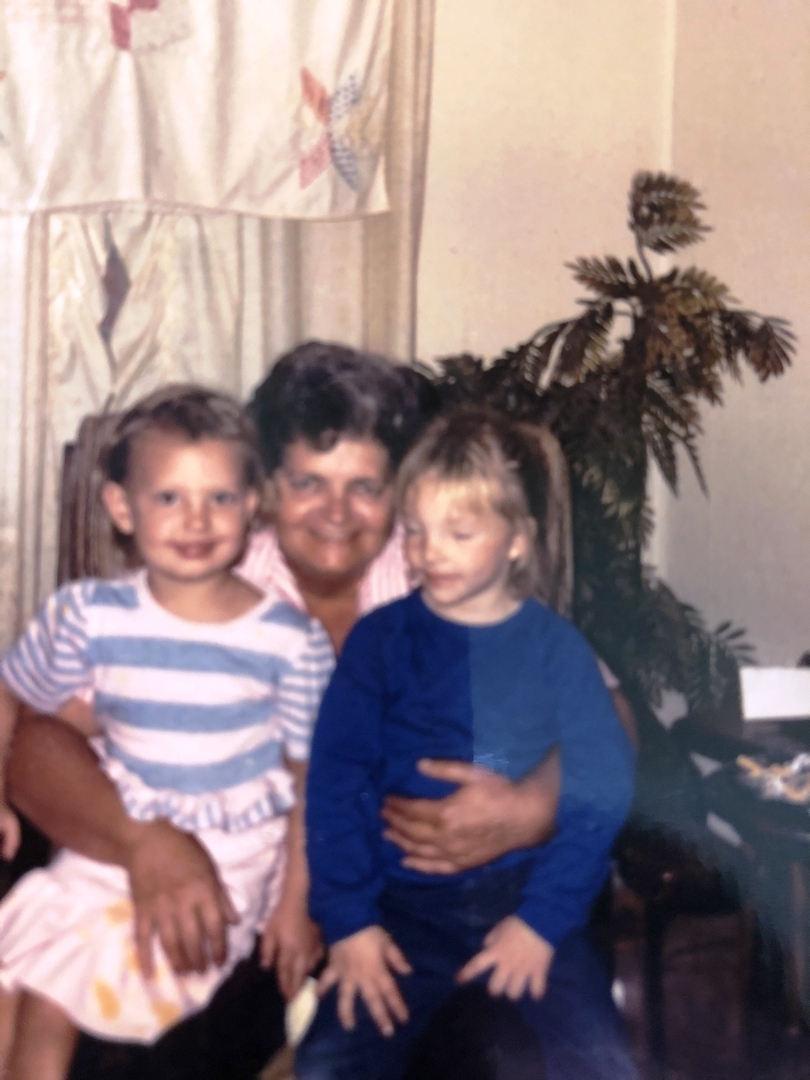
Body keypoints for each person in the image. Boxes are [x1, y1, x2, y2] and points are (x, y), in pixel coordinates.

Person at [3, 342, 621, 1078]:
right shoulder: (204, 580)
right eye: (308, 483)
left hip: (416, 903)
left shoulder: (442, 571)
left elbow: (611, 716)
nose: (336, 513)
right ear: (266, 488)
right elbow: (40, 742)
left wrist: (531, 806)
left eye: (366, 486)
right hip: (246, 900)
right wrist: (142, 844)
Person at [0, 386, 334, 1079]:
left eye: (220, 497)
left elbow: (316, 784)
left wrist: (295, 905)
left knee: (49, 1001)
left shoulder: (290, 642)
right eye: (169, 497)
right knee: (13, 981)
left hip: (220, 864)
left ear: (252, 505)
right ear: (122, 508)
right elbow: (17, 696)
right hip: (110, 842)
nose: (196, 520)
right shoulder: (89, 615)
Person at [298, 408, 638, 1080]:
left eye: (459, 533)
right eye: (415, 530)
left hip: (528, 895)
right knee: (327, 1061)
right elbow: (336, 786)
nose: (430, 552)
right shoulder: (378, 643)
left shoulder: (558, 651)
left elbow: (603, 787)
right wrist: (350, 924)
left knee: (603, 1062)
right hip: (400, 907)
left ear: (517, 541)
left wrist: (542, 923)